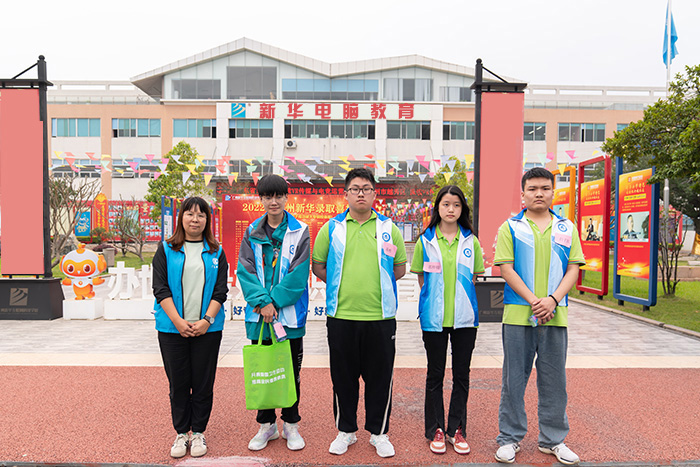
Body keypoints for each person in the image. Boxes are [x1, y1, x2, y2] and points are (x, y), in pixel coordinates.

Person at [312, 168, 407, 458]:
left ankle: (379, 433)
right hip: (341, 317)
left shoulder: (389, 228)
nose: (361, 193)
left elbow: (399, 268)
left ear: (375, 193)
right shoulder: (332, 228)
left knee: (381, 379)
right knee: (343, 378)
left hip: (380, 318)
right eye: (355, 188)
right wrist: (342, 285)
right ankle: (346, 431)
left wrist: (377, 285)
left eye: (366, 188)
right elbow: (318, 265)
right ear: (346, 194)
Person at [494, 167, 585, 465]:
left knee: (554, 380)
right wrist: (535, 301)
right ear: (522, 193)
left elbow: (573, 268)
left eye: (545, 188)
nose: (539, 194)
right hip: (518, 314)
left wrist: (552, 300)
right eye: (532, 189)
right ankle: (509, 438)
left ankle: (553, 439)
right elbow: (505, 268)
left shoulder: (566, 228)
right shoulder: (510, 227)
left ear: (553, 192)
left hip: (555, 315)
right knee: (513, 380)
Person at [237, 174, 310, 452]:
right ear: (261, 199)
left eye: (279, 195)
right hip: (260, 317)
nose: (274, 201)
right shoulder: (251, 232)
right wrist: (262, 303)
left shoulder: (300, 231)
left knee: (291, 372)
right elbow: (245, 270)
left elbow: (298, 275)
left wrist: (274, 302)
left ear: (286, 197)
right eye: (268, 196)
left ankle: (291, 424)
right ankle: (266, 424)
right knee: (263, 370)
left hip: (289, 318)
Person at [152, 197, 229, 459]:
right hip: (172, 329)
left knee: (203, 383)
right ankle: (181, 432)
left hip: (207, 330)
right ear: (181, 217)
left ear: (208, 220)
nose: (195, 219)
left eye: (201, 215)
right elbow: (160, 288)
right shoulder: (166, 249)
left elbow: (220, 291)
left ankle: (198, 432)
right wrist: (178, 321)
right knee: (179, 383)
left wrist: (207, 320)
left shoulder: (216, 251)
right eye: (190, 214)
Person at [410, 185, 484, 455]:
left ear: (463, 209)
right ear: (438, 208)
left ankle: (457, 429)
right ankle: (436, 429)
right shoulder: (425, 241)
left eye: (456, 205)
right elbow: (422, 277)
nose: (451, 209)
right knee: (435, 375)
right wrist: (435, 300)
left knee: (461, 375)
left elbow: (474, 277)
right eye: (446, 204)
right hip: (434, 319)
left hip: (465, 319)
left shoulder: (471, 241)